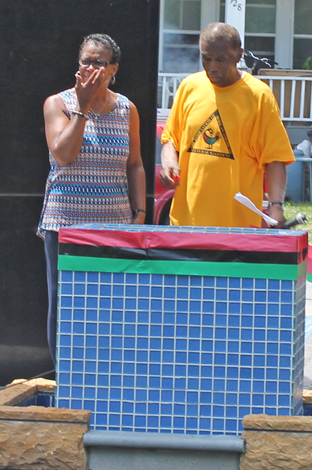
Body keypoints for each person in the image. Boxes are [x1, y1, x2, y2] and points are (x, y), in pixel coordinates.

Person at [37, 33, 146, 362]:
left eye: (99, 62)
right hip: (66, 224)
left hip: (113, 225)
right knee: (65, 302)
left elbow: (136, 164)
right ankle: (65, 377)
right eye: (85, 61)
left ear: (114, 69)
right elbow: (63, 155)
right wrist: (82, 109)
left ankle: (108, 376)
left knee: (111, 303)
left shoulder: (127, 108)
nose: (91, 68)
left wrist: (139, 214)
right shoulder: (58, 103)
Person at [159, 22, 294, 229]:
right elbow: (171, 139)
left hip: (238, 226)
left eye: (221, 59)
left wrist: (276, 206)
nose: (213, 66)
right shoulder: (189, 87)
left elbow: (275, 158)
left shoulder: (259, 95)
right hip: (186, 223)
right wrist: (169, 161)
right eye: (206, 58)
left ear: (238, 55)